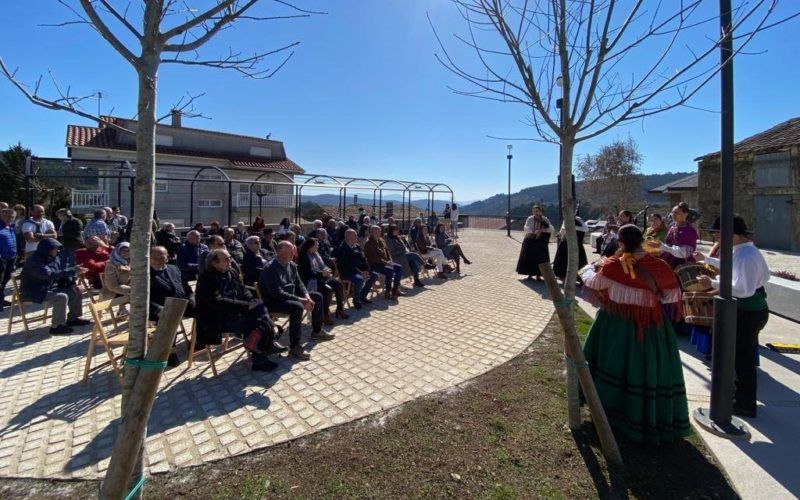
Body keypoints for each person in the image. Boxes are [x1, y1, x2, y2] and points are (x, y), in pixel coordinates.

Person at [581, 224, 690, 445]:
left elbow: (594, 282)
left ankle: (609, 413)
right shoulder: (658, 266)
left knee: (612, 365)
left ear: (620, 243)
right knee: (649, 369)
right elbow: (671, 296)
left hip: (615, 325)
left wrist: (587, 269)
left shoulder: (613, 265)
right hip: (651, 328)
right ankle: (649, 418)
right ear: (642, 241)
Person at [694, 216, 770, 418]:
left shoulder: (747, 256)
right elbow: (730, 267)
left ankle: (745, 404)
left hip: (748, 312)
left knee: (742, 361)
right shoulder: (743, 252)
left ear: (732, 234)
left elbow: (744, 290)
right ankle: (739, 398)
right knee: (737, 358)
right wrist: (707, 261)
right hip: (746, 310)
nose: (716, 238)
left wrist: (712, 283)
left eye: (718, 234)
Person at [195, 248, 284, 371]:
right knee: (259, 323)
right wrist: (246, 305)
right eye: (226, 259)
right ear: (214, 263)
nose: (230, 261)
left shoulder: (231, 271)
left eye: (230, 257)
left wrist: (251, 300)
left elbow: (243, 290)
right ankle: (264, 352)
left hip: (237, 311)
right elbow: (218, 302)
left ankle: (265, 348)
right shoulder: (206, 279)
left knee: (260, 308)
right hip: (217, 318)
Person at [259, 241, 334, 361]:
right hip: (274, 301)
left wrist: (307, 296)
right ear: (279, 252)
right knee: (297, 307)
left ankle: (317, 330)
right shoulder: (270, 268)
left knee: (317, 296)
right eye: (290, 252)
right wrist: (301, 300)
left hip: (289, 295)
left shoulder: (291, 264)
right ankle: (295, 346)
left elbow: (299, 283)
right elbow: (278, 293)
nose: (293, 254)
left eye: (294, 251)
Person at [20, 238, 90, 335]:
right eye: (55, 248)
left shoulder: (54, 258)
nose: (58, 251)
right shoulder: (35, 261)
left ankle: (73, 319)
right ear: (48, 249)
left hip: (48, 288)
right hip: (34, 291)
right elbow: (49, 275)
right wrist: (72, 270)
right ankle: (56, 326)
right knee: (61, 297)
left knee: (75, 290)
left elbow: (60, 273)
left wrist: (72, 283)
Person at [149, 245, 196, 366]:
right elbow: (142, 298)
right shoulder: (145, 275)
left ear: (167, 257)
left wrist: (191, 297)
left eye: (162, 257)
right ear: (149, 258)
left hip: (183, 303)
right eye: (155, 257)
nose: (158, 260)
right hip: (161, 308)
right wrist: (158, 309)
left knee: (204, 310)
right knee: (170, 318)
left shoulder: (174, 268)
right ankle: (170, 352)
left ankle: (197, 340)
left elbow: (186, 286)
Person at [297, 238, 348, 322]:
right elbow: (306, 274)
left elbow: (322, 266)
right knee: (328, 290)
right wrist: (322, 273)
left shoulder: (316, 254)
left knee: (338, 284)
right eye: (316, 245)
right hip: (310, 281)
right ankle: (325, 314)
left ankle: (339, 309)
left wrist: (327, 270)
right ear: (311, 246)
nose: (318, 247)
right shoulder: (304, 257)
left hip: (321, 278)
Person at [332, 229, 378, 309]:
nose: (357, 237)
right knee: (359, 279)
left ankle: (362, 296)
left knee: (374, 275)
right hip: (347, 272)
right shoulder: (342, 248)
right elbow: (346, 265)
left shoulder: (357, 246)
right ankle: (356, 300)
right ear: (348, 237)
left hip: (359, 270)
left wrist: (366, 269)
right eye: (355, 235)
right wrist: (361, 272)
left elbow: (363, 259)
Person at [364, 225, 405, 300]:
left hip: (385, 263)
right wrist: (386, 263)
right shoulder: (369, 243)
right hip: (375, 265)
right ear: (372, 232)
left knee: (399, 268)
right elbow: (374, 258)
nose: (378, 233)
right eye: (375, 231)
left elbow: (387, 251)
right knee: (390, 270)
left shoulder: (381, 240)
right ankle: (388, 291)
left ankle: (395, 289)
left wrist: (390, 260)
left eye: (379, 231)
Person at [515, 206, 552, 281]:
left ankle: (539, 275)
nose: (536, 212)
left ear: (540, 211)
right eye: (534, 211)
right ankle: (530, 274)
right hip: (530, 240)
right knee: (530, 257)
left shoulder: (545, 219)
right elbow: (526, 227)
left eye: (537, 211)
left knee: (540, 259)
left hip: (541, 241)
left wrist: (542, 230)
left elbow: (551, 228)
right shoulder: (530, 218)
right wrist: (533, 231)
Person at [660, 202, 698, 269]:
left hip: (682, 266)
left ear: (685, 214)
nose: (673, 215)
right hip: (669, 262)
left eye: (677, 213)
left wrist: (662, 246)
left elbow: (685, 253)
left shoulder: (689, 230)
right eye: (672, 212)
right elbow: (668, 244)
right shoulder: (672, 226)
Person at [552, 216, 589, 283]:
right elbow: (562, 230)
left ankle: (579, 278)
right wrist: (560, 234)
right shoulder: (565, 219)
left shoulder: (578, 219)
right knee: (563, 262)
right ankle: (563, 277)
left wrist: (573, 227)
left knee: (579, 262)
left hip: (576, 244)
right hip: (565, 243)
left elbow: (585, 229)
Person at [0, 208, 17, 310]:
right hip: (1, 258)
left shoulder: (10, 227)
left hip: (11, 258)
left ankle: (1, 298)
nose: (9, 218)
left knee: (5, 280)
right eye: (7, 216)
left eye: (12, 217)